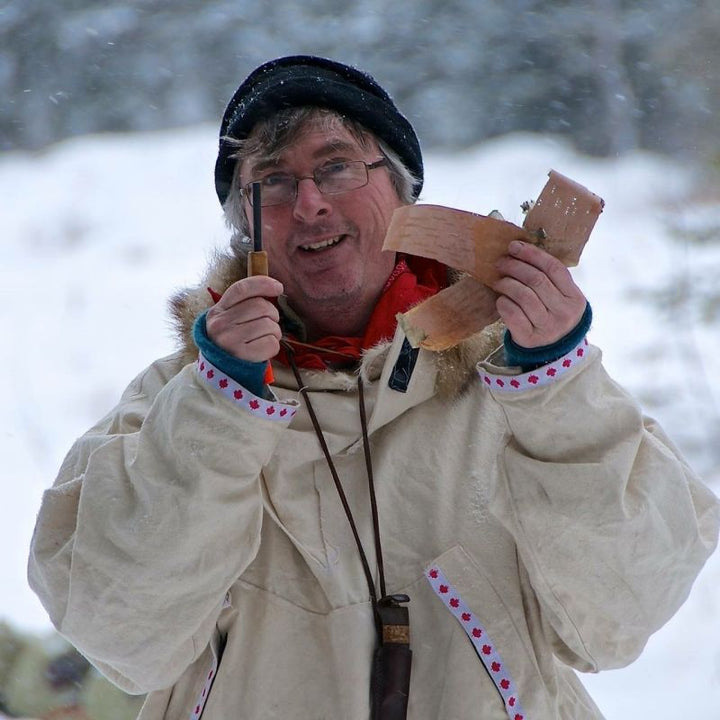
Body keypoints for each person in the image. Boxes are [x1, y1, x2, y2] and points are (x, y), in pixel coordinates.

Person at [28, 55, 719, 720]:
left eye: (334, 167)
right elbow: (120, 635)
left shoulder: (518, 383)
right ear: (246, 228)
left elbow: (622, 615)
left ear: (402, 191)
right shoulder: (176, 401)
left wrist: (559, 386)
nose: (308, 204)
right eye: (271, 181)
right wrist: (219, 403)